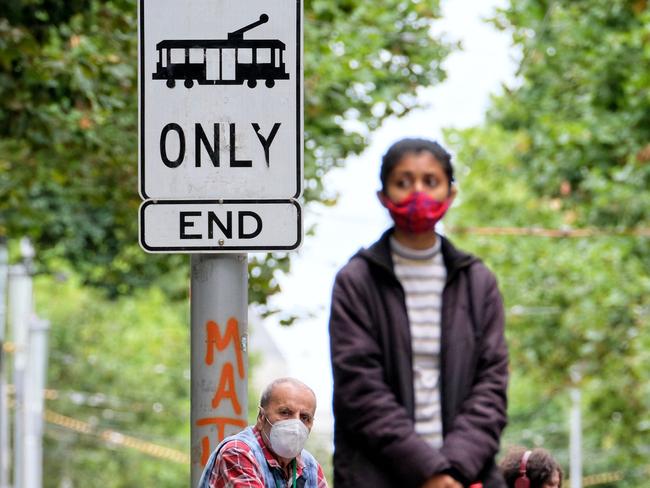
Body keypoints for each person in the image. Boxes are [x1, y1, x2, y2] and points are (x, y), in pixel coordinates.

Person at [329, 138, 509, 488]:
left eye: (430, 182)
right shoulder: (356, 281)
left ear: (450, 194)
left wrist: (452, 470)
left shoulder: (478, 281)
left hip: (466, 476)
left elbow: (492, 384)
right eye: (403, 182)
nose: (417, 193)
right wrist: (428, 470)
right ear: (383, 196)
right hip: (377, 475)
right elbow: (360, 388)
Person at [198, 377, 329, 488]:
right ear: (261, 417)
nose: (296, 425)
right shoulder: (237, 453)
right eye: (285, 413)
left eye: (304, 418)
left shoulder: (310, 466)